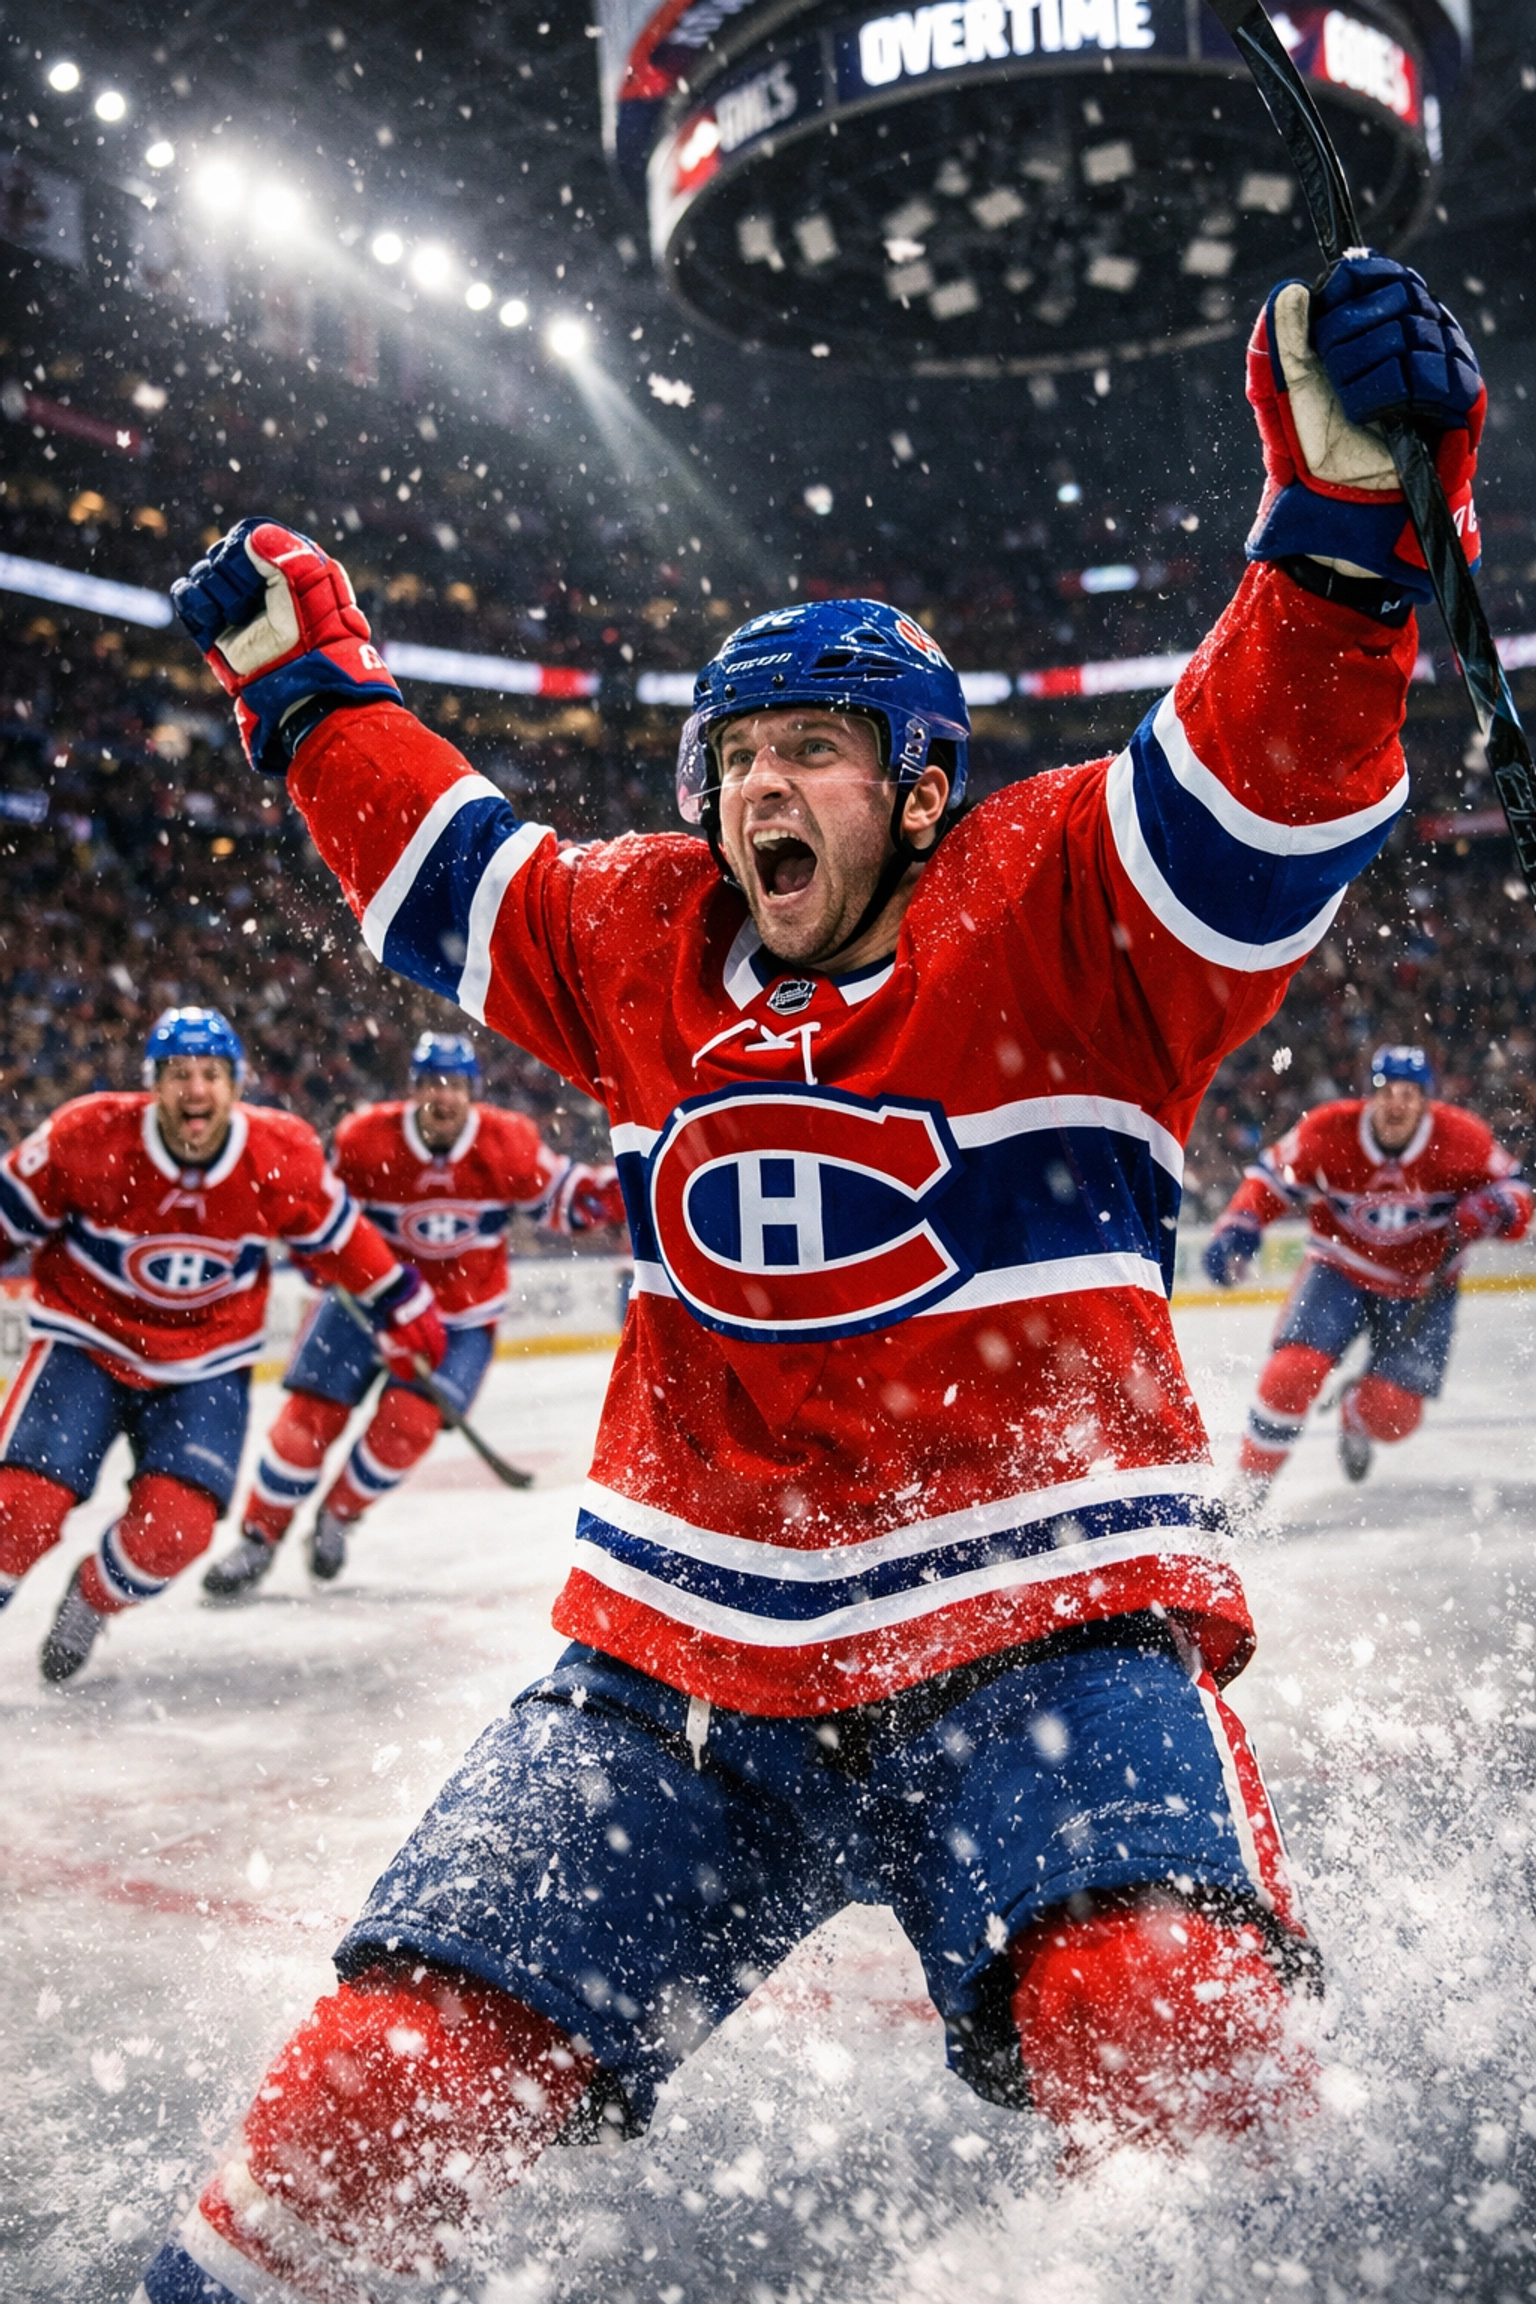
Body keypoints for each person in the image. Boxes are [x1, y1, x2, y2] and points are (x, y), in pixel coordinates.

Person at [137, 249, 1483, 2301]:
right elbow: (444, 866)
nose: (762, 787)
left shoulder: (1065, 911)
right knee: (377, 2091)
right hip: (675, 1665)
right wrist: (306, 685)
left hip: (1046, 1636)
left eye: (818, 751)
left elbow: (1260, 773)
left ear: (924, 789)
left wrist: (1348, 532)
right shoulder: (640, 938)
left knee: (1173, 2037)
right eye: (737, 755)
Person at [0, 1007, 448, 1682]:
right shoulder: (86, 1135)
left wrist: (398, 1297)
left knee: (174, 1533)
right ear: (153, 1083)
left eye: (211, 1074)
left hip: (206, 1364)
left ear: (236, 1085)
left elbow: (339, 1237)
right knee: (19, 1512)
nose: (196, 1089)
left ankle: (92, 1598)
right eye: (179, 1073)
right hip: (84, 1343)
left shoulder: (279, 1154)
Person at [203, 1030, 625, 1596]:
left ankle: (338, 1516)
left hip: (459, 1322)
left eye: (454, 1085)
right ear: (413, 1089)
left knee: (408, 1426)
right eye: (431, 1083)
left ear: (472, 1093)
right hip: (367, 1304)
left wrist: (640, 1178)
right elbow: (317, 1213)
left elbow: (574, 1202)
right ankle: (259, 1536)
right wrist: (316, 1258)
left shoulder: (507, 1144)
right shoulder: (364, 1140)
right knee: (308, 1422)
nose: (442, 1096)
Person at [1205, 1044, 1530, 1500]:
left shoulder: (1462, 1137)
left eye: (1409, 1094)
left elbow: (1518, 1187)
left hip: (1423, 1285)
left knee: (1393, 1416)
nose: (1396, 1103)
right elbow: (1270, 1177)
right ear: (1370, 1096)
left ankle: (1356, 1415)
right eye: (1386, 1091)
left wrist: (1500, 1208)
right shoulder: (1329, 1128)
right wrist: (1239, 1225)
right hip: (1340, 1267)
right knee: (1292, 1372)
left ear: (1427, 1101)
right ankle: (1248, 1488)